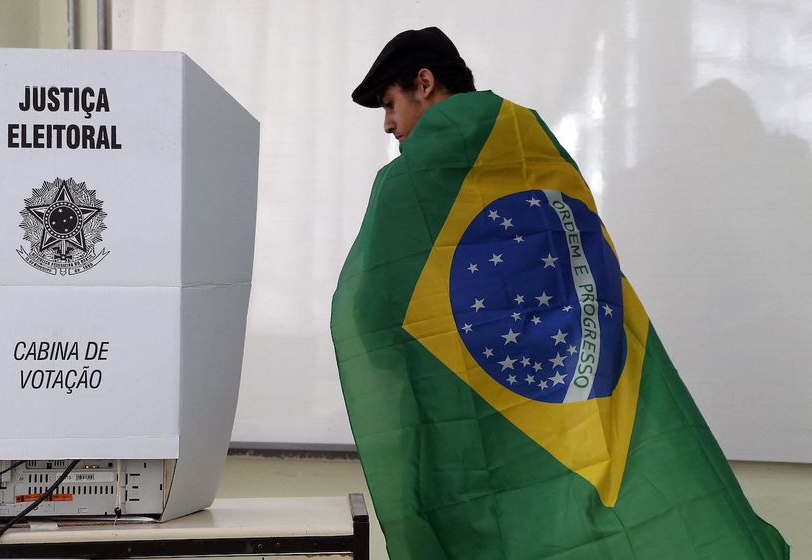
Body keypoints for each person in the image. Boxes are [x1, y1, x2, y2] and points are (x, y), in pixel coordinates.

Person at [335, 27, 789, 560]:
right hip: (576, 392)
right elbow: (588, 267)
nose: (389, 124)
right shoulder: (532, 141)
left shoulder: (406, 186)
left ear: (425, 83)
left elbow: (369, 308)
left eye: (389, 104)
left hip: (479, 410)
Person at [351, 26, 476, 142]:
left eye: (390, 104)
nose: (387, 126)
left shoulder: (419, 165)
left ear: (425, 84)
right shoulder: (494, 139)